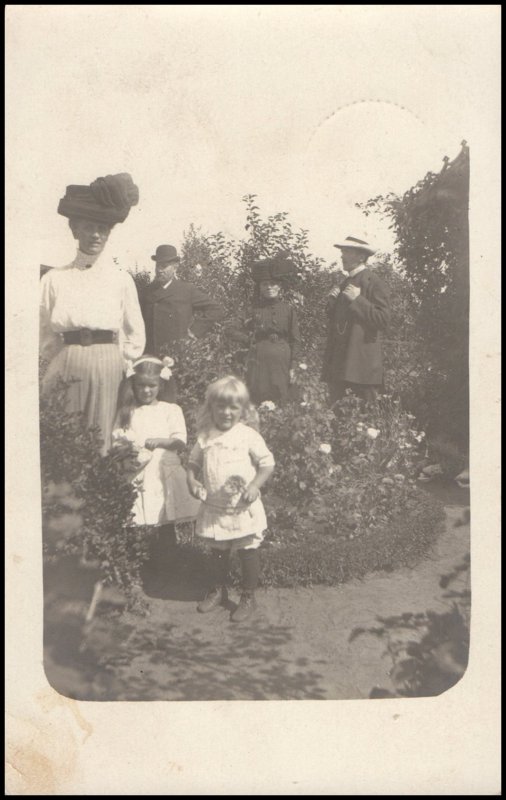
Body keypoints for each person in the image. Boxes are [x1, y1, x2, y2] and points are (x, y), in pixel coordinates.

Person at [40, 172, 146, 453]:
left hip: (108, 362)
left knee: (103, 435)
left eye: (102, 228)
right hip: (67, 359)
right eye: (88, 227)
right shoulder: (54, 278)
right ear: (75, 230)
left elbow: (135, 331)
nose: (95, 234)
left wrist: (119, 361)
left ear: (109, 232)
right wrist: (60, 360)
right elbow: (44, 332)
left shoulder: (121, 279)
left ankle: (101, 493)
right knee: (67, 435)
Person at [186, 376, 275, 623]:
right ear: (211, 407)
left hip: (242, 507)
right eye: (221, 406)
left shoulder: (248, 436)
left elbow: (267, 463)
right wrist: (192, 481)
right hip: (216, 507)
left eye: (233, 407)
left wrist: (255, 486)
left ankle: (248, 597)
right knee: (217, 551)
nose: (226, 413)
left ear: (243, 410)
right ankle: (217, 590)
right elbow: (193, 462)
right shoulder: (206, 436)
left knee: (247, 551)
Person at [112, 356, 201, 555]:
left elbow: (180, 440)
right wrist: (127, 452)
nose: (146, 390)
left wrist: (160, 441)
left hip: (163, 472)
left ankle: (167, 566)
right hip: (138, 471)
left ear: (160, 385)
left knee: (164, 517)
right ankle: (136, 564)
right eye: (141, 385)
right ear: (133, 384)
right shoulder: (127, 412)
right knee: (135, 518)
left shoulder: (170, 410)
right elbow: (117, 439)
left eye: (151, 386)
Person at [321, 235, 390, 404]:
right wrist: (331, 303)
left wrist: (358, 300)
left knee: (365, 421)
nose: (342, 256)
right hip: (340, 366)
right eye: (342, 252)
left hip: (362, 369)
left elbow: (383, 319)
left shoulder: (373, 281)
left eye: (347, 252)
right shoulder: (345, 283)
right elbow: (340, 324)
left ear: (361, 256)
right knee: (339, 418)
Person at [228, 256, 301, 404]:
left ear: (280, 287)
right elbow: (230, 329)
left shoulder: (288, 310)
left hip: (282, 361)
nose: (269, 287)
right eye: (265, 284)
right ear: (260, 287)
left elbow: (296, 340)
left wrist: (293, 366)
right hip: (258, 360)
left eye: (273, 284)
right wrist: (248, 341)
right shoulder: (252, 309)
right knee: (258, 398)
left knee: (282, 399)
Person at [139, 244, 225, 357]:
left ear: (175, 267)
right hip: (150, 354)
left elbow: (216, 309)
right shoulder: (147, 292)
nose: (160, 270)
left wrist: (194, 331)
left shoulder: (186, 290)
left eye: (164, 266)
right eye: (158, 265)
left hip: (177, 355)